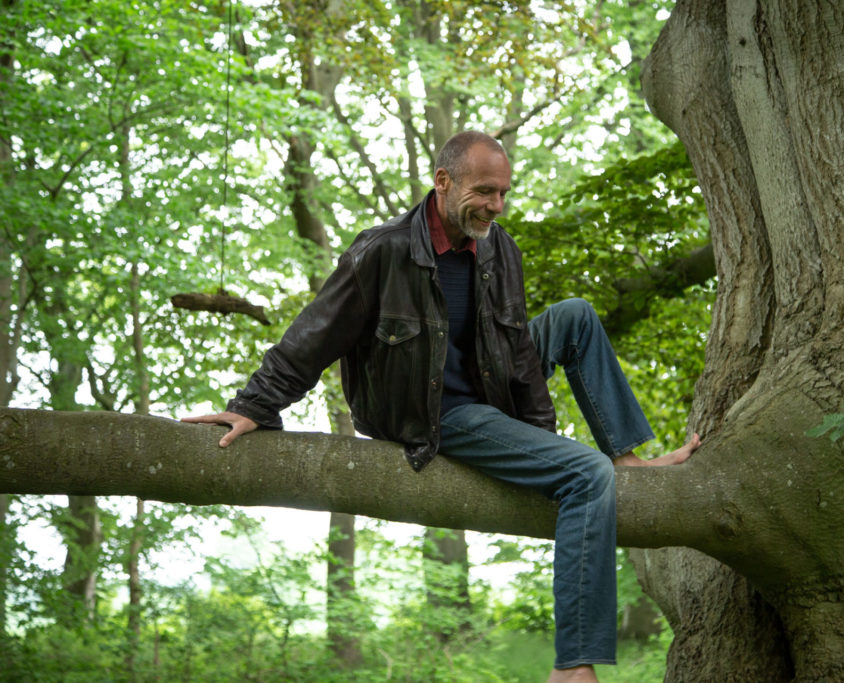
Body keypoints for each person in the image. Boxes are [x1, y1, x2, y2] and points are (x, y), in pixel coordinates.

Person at [183, 130, 699, 683]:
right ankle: (573, 667)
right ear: (443, 182)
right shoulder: (382, 251)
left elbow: (521, 357)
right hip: (432, 411)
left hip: (490, 384)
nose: (496, 206)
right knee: (585, 474)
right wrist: (252, 405)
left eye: (503, 192)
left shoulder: (500, 249)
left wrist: (539, 444)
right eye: (484, 192)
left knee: (573, 316)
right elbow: (312, 337)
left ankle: (624, 456)